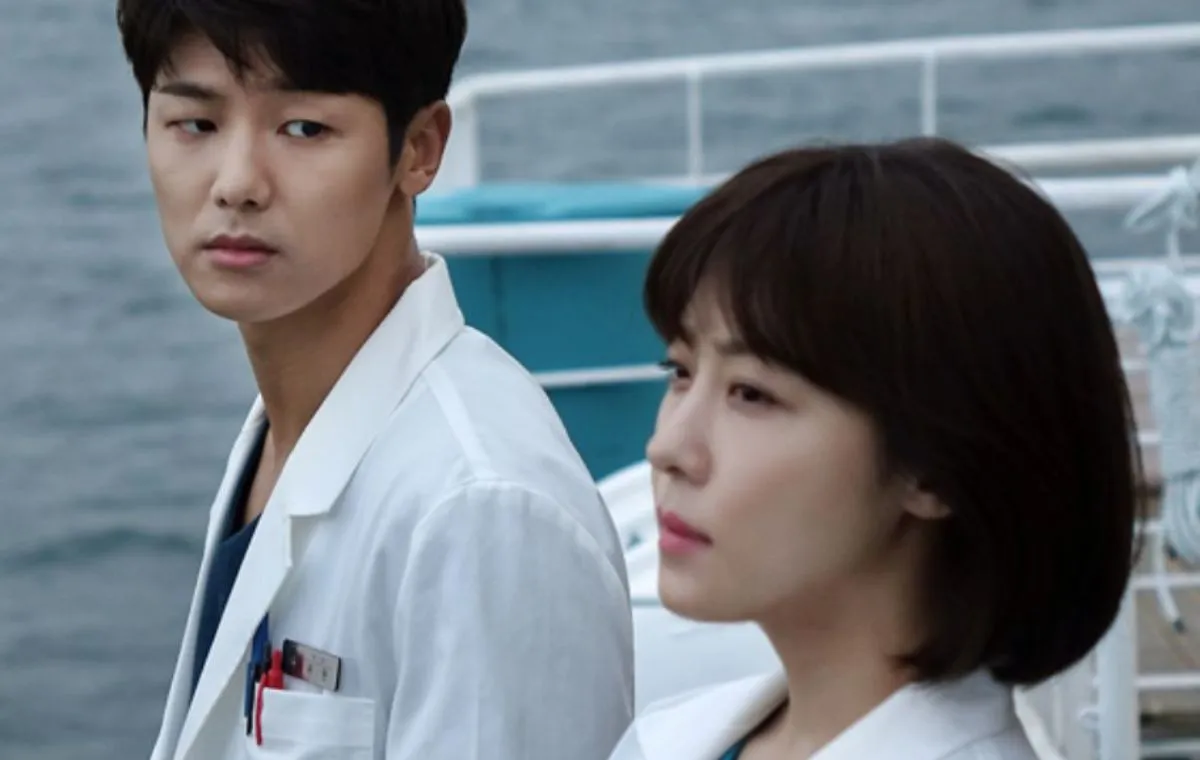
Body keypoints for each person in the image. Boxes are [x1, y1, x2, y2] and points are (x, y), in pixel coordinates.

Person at [114, 1, 635, 758]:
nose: (237, 183)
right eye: (195, 124)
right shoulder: (292, 423)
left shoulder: (479, 510)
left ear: (419, 149)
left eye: (304, 128)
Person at [608, 138, 1143, 760]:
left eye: (751, 393)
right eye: (679, 371)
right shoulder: (670, 736)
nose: (667, 447)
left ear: (934, 466)